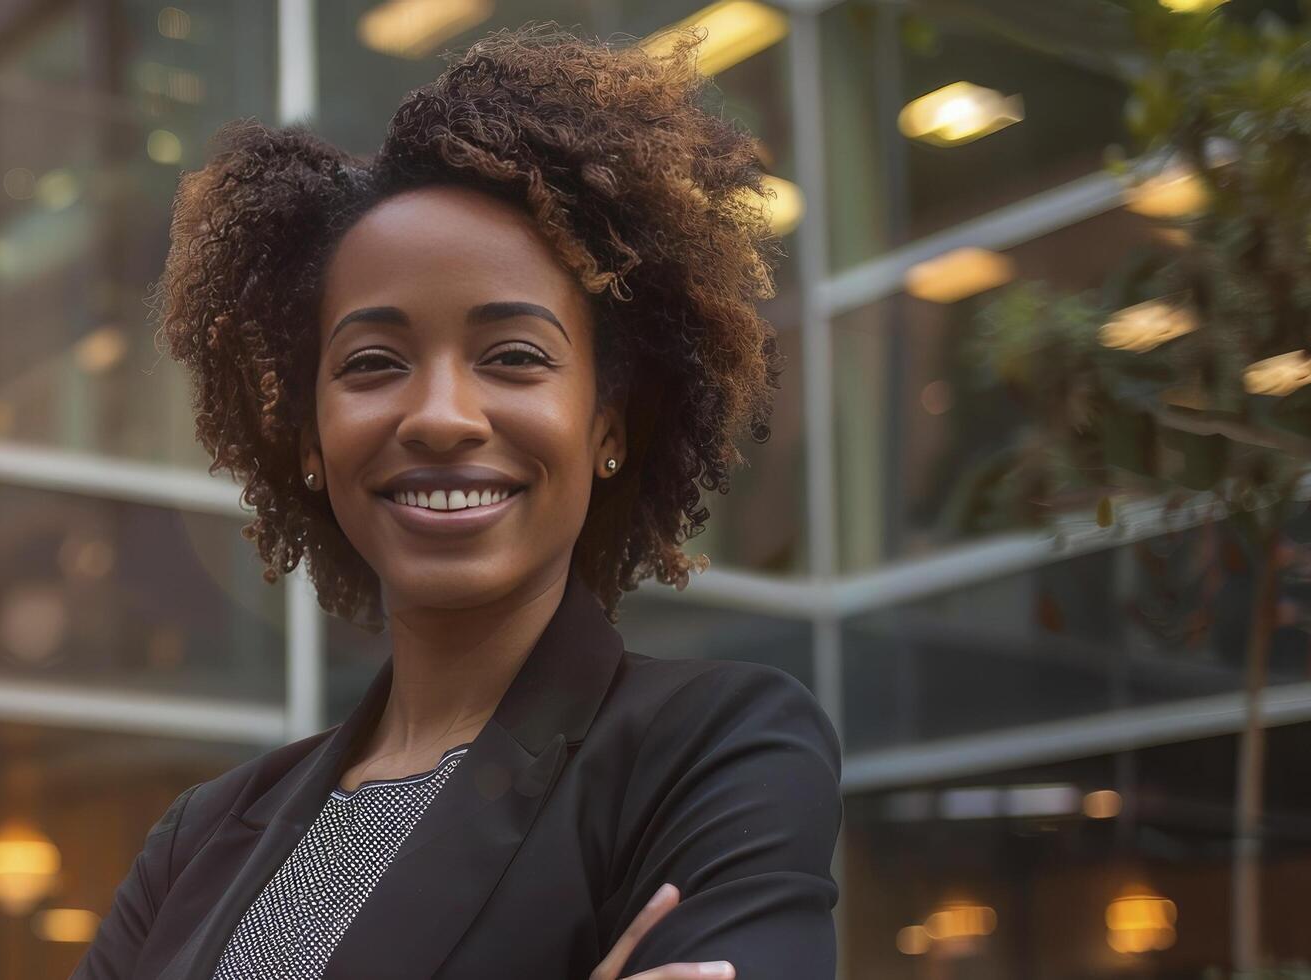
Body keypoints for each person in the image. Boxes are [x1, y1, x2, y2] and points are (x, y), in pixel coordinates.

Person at [70, 25, 841, 980]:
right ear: (310, 440)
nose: (440, 417)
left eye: (513, 356)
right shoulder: (198, 840)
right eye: (372, 364)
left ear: (609, 425)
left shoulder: (711, 754)